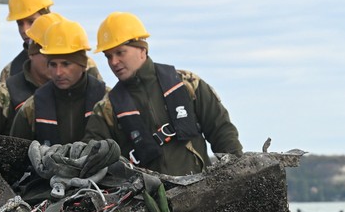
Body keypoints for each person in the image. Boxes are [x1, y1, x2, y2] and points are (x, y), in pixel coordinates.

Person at [83, 12, 243, 176]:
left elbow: (223, 133)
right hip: (146, 199)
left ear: (142, 49)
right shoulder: (106, 110)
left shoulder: (187, 84)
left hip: (201, 192)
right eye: (108, 56)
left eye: (120, 53)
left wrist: (236, 178)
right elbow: (93, 159)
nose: (113, 62)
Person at [0, 12, 62, 146]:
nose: (56, 63)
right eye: (48, 54)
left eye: (63, 56)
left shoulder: (75, 93)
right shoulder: (4, 94)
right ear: (31, 53)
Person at [9, 20, 108, 145]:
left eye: (66, 64)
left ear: (82, 65)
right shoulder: (32, 108)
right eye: (53, 64)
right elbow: (14, 156)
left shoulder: (108, 102)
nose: (58, 73)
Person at [0, 0, 54, 84]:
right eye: (20, 24)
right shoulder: (10, 72)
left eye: (31, 21)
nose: (25, 30)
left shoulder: (80, 65)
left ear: (47, 17)